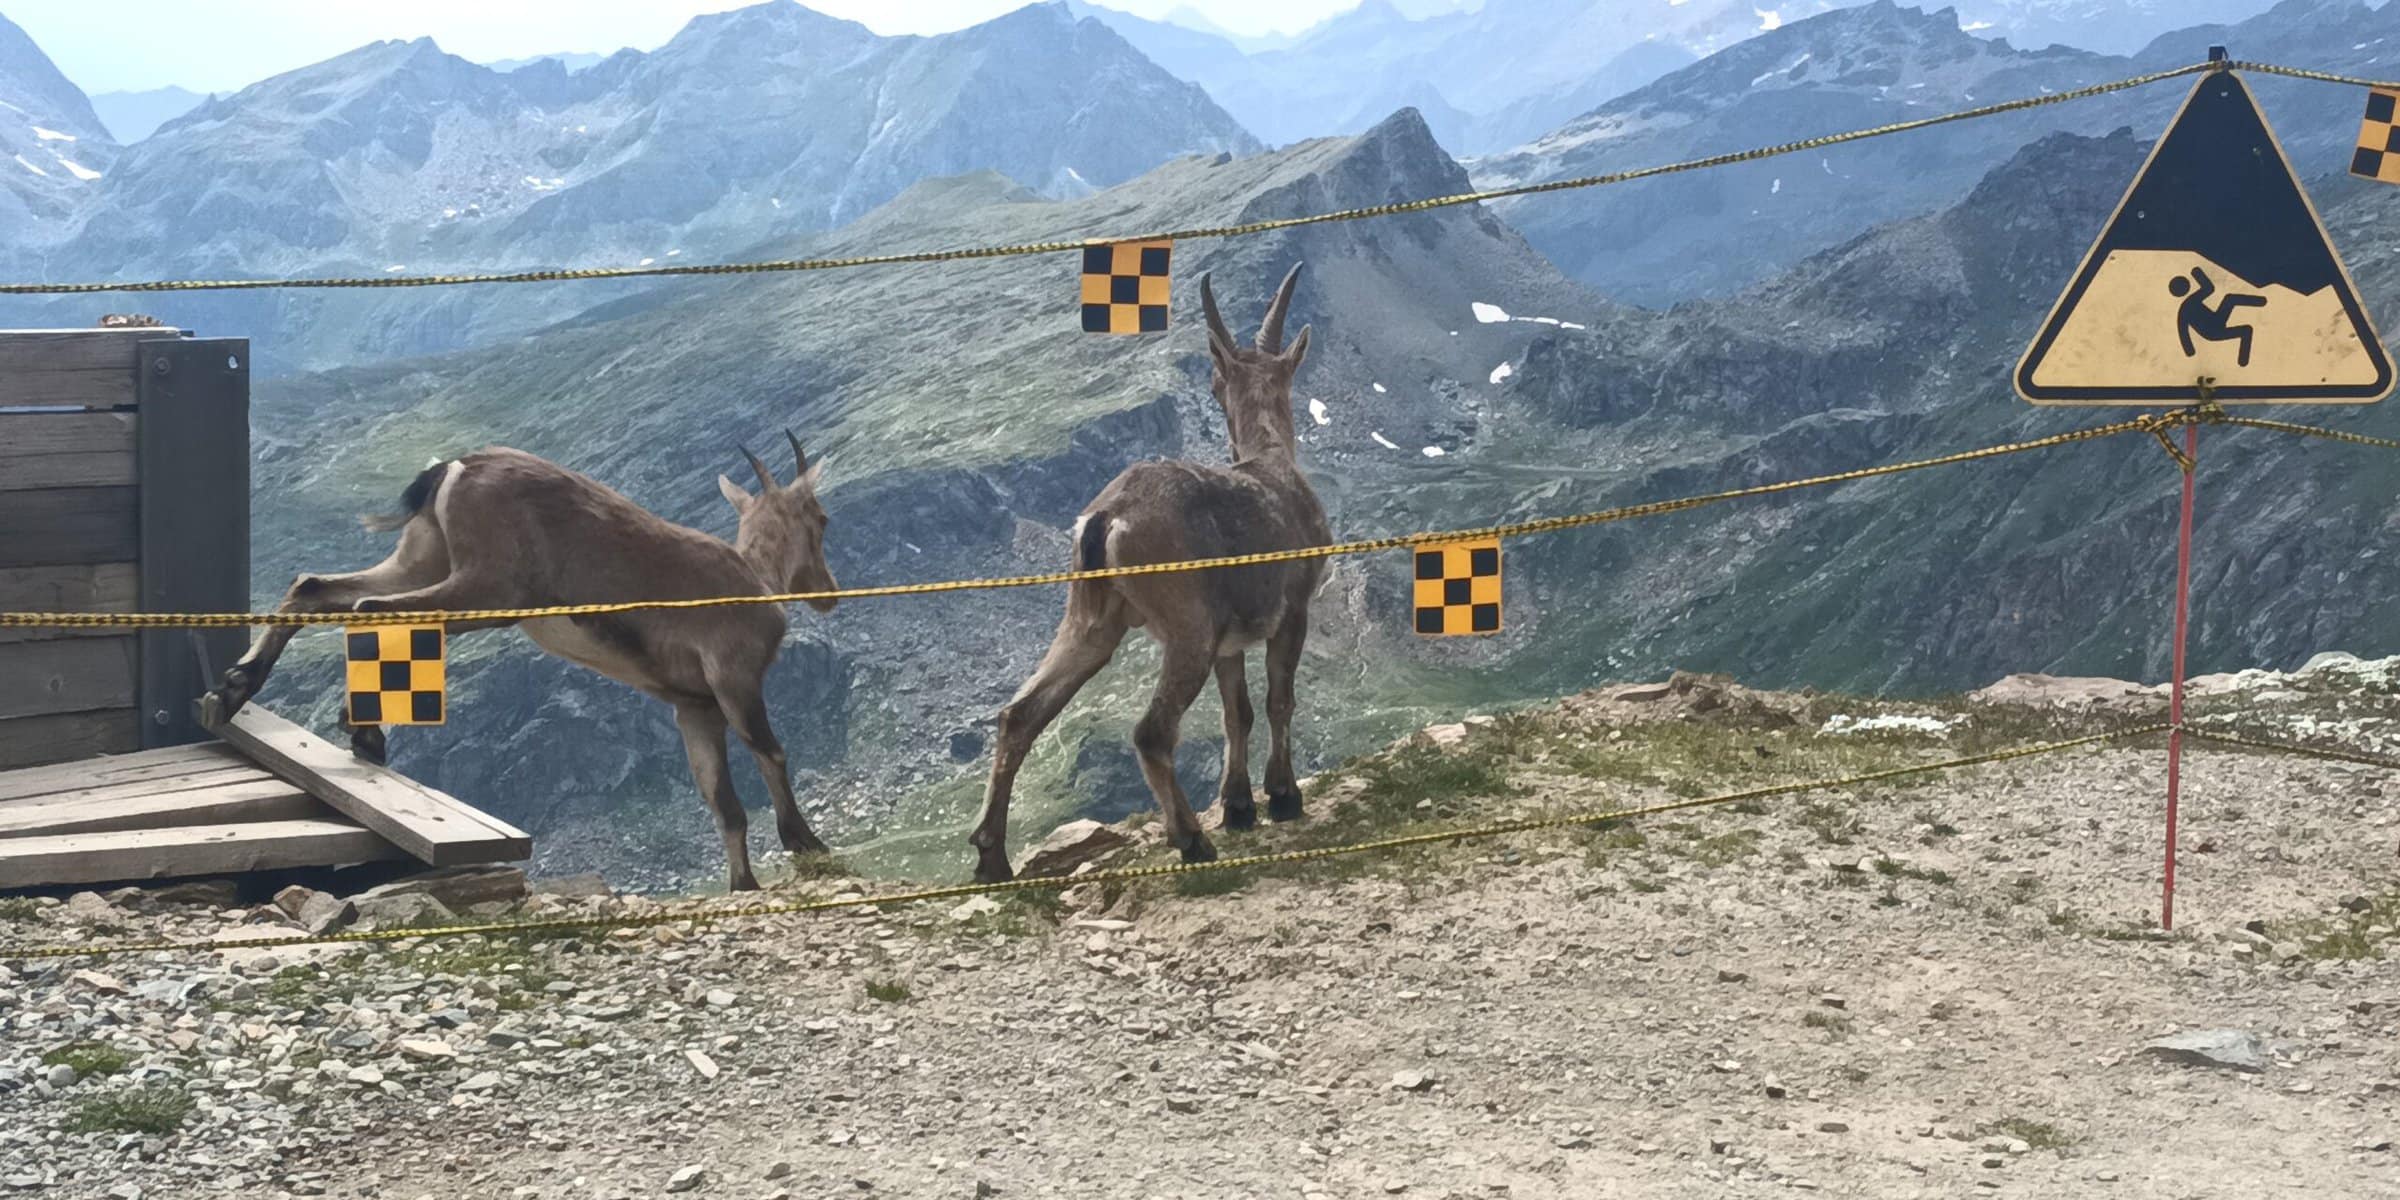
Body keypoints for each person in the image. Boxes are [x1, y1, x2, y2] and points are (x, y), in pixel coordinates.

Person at [2170, 266, 2266, 368]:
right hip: (2212, 332)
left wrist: (2197, 273)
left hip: (2216, 320)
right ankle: (2243, 363)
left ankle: (2262, 301)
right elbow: (2183, 332)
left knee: (2230, 300)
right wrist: (2189, 351)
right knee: (2246, 330)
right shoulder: (2186, 308)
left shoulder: (2189, 303)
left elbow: (2209, 289)